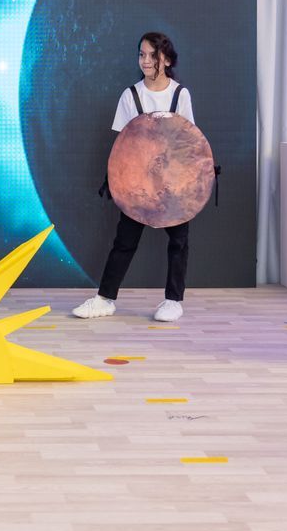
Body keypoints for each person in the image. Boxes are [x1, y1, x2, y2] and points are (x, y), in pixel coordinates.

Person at [72, 32, 196, 323]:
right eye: (141, 54)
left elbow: (190, 141)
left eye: (151, 55)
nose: (145, 61)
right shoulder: (130, 95)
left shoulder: (180, 95)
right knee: (124, 240)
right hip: (139, 183)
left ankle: (173, 300)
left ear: (165, 58)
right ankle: (104, 299)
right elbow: (121, 146)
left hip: (173, 182)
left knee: (179, 239)